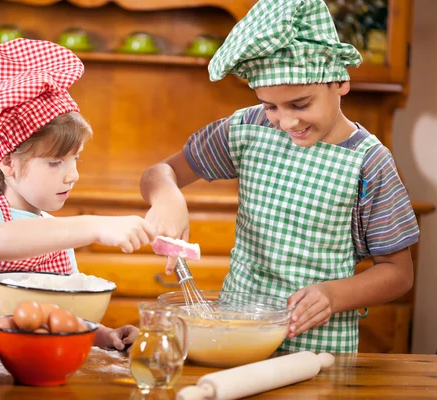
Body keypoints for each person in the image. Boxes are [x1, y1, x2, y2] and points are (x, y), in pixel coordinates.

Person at [139, 0, 418, 353]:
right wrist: (168, 197)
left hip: (317, 349)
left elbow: (398, 273)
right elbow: (159, 172)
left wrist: (334, 294)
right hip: (237, 338)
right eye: (271, 106)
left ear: (340, 81)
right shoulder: (248, 128)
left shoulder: (368, 163)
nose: (286, 123)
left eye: (300, 104)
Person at [0, 39, 157, 350]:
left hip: (40, 364)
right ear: (8, 162)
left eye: (77, 159)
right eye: (55, 162)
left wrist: (103, 335)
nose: (73, 174)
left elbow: (63, 311)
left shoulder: (54, 231)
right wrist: (94, 226)